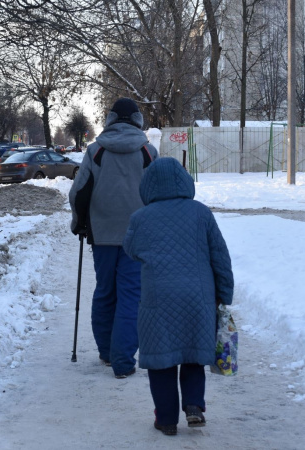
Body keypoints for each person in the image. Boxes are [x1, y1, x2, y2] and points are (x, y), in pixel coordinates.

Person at [122, 157, 234, 436]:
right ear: (185, 182)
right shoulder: (201, 213)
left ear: (147, 187)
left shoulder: (140, 217)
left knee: (161, 360)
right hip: (199, 297)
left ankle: (167, 419)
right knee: (194, 354)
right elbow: (220, 256)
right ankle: (194, 406)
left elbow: (130, 250)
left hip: (157, 298)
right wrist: (224, 293)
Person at [69, 97, 158, 379]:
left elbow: (79, 192)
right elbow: (158, 191)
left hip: (102, 234)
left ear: (108, 120)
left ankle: (107, 353)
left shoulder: (95, 151)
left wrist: (79, 223)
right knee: (132, 295)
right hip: (139, 236)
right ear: (138, 120)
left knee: (105, 291)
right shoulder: (148, 151)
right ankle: (123, 361)